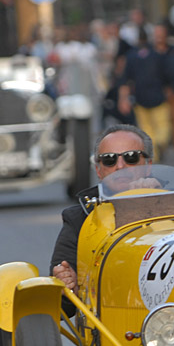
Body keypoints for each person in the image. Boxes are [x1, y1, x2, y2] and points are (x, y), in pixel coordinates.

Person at [50, 124, 156, 294]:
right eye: (109, 159)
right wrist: (67, 284)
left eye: (131, 157)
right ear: (99, 170)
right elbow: (63, 304)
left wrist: (158, 201)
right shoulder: (79, 219)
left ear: (148, 165)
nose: (120, 166)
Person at [118, 28, 174, 161]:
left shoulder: (131, 56)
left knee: (147, 130)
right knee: (163, 127)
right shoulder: (158, 54)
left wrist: (123, 99)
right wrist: (171, 90)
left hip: (140, 98)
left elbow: (125, 81)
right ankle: (160, 147)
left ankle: (154, 155)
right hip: (159, 97)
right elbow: (168, 76)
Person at [153, 21, 174, 156]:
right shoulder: (150, 53)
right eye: (157, 34)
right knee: (160, 121)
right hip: (157, 92)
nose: (159, 37)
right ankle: (160, 147)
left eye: (161, 34)